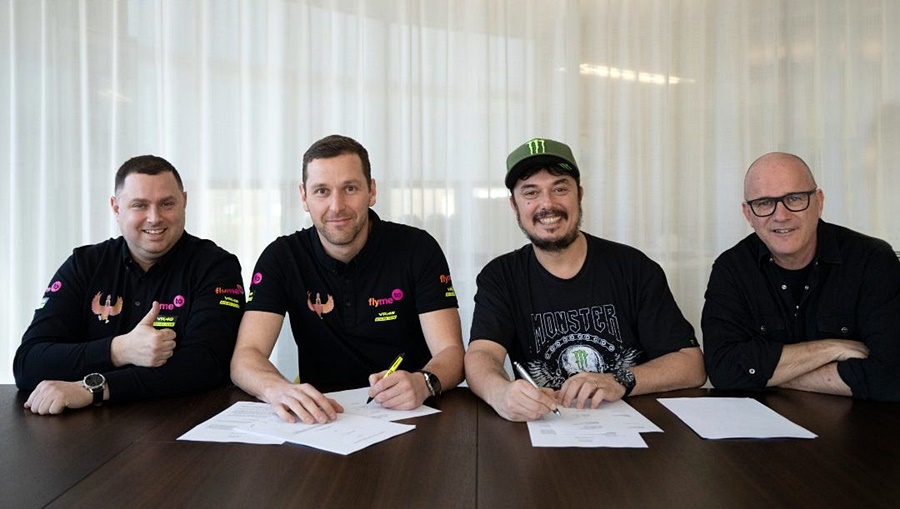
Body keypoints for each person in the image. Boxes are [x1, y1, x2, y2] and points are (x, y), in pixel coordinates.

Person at [465, 137, 706, 422]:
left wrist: (620, 379)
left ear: (579, 195)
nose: (547, 204)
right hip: (545, 427)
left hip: (634, 430)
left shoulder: (634, 268)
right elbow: (482, 354)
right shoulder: (501, 276)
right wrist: (500, 393)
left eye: (560, 189)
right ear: (514, 206)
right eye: (531, 192)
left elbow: (691, 365)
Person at [230, 134, 465, 424]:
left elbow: (452, 352)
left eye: (350, 188)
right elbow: (246, 356)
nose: (336, 206)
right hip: (322, 419)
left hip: (410, 413)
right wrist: (277, 389)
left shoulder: (418, 249)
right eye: (322, 191)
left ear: (372, 191)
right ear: (304, 197)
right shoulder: (281, 257)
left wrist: (424, 381)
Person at [14, 155, 245, 415]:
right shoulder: (84, 265)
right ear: (116, 208)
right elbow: (28, 364)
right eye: (140, 205)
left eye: (167, 204)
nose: (154, 218)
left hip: (184, 424)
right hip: (89, 428)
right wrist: (119, 350)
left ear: (184, 202)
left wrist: (95, 388)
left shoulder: (216, 267)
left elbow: (207, 365)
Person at [702, 152, 900, 401]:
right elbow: (723, 370)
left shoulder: (871, 260)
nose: (781, 215)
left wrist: (771, 376)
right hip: (763, 423)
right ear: (748, 214)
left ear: (819, 202)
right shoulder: (732, 269)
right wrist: (831, 348)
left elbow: (891, 377)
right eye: (764, 203)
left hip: (861, 423)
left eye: (794, 198)